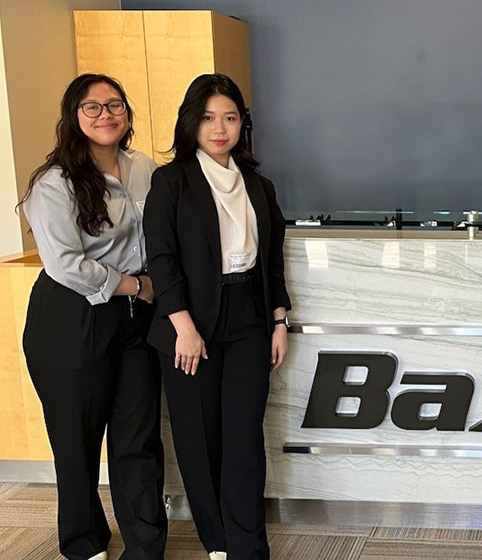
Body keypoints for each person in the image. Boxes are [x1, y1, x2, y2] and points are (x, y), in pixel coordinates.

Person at [19, 73, 167, 560]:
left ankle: (146, 547)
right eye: (92, 107)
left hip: (137, 318)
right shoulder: (54, 181)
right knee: (76, 439)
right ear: (74, 117)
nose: (105, 114)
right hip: (72, 317)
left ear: (126, 112)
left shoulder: (143, 167)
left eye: (114, 104)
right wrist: (136, 285)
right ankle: (84, 545)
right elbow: (65, 264)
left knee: (137, 437)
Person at [143, 73, 290, 560]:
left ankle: (248, 546)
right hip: (191, 325)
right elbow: (161, 259)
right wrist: (182, 326)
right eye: (208, 118)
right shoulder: (171, 181)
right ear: (192, 123)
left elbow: (271, 258)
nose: (219, 128)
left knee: (245, 437)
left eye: (229, 118)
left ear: (241, 125)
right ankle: (218, 542)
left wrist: (279, 320)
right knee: (200, 438)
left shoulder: (257, 184)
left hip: (249, 315)